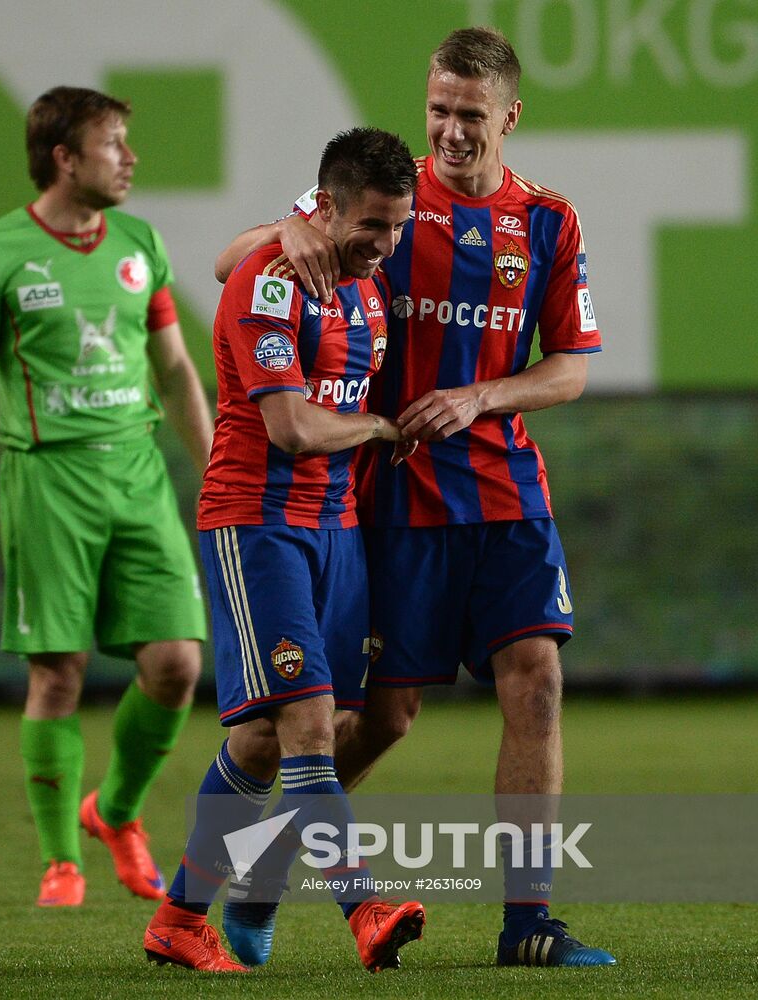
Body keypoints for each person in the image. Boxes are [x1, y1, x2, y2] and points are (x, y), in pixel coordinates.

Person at [214, 27, 615, 968]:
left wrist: (482, 395)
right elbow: (234, 263)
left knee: (538, 681)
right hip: (387, 496)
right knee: (384, 718)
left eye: (471, 115)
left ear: (509, 117)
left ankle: (529, 926)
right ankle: (264, 865)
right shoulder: (381, 204)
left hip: (505, 489)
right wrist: (284, 230)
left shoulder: (548, 222)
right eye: (438, 109)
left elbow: (571, 368)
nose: (450, 131)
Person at [142, 127, 424, 974]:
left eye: (398, 227)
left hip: (334, 529)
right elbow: (292, 427)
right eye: (372, 225)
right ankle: (366, 908)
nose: (386, 244)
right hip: (257, 524)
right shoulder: (273, 281)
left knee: (271, 740)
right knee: (304, 728)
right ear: (325, 209)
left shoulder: (364, 292)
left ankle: (181, 917)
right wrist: (378, 426)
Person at [0, 86, 212, 908]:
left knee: (177, 666)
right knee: (58, 674)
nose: (130, 158)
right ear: (64, 158)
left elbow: (174, 369)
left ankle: (114, 811)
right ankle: (61, 860)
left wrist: (220, 471)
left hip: (138, 472)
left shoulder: (139, 243)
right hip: (46, 479)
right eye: (113, 143)